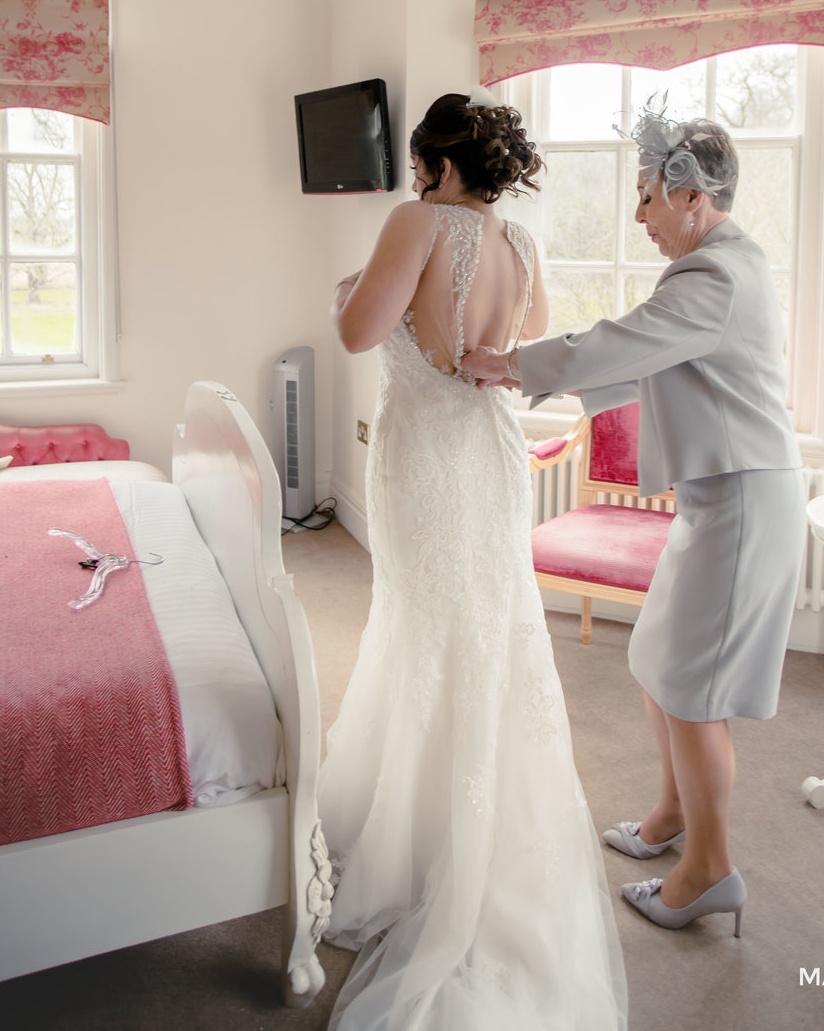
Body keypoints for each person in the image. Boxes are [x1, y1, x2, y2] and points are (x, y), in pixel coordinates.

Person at [317, 90, 628, 1031]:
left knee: (422, 623)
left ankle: (417, 844)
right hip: (489, 455)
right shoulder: (523, 245)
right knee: (485, 627)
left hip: (428, 457)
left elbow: (358, 331)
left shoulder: (419, 221)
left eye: (421, 164)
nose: (416, 179)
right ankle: (474, 826)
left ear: (441, 165)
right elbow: (518, 348)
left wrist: (349, 287)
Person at [463, 104, 806, 940]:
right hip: (719, 500)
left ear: (692, 195)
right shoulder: (721, 268)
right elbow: (649, 360)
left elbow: (622, 344)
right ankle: (670, 815)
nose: (640, 216)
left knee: (692, 693)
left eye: (648, 195)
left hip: (741, 506)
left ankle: (708, 872)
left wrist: (512, 366)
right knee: (660, 663)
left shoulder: (715, 276)